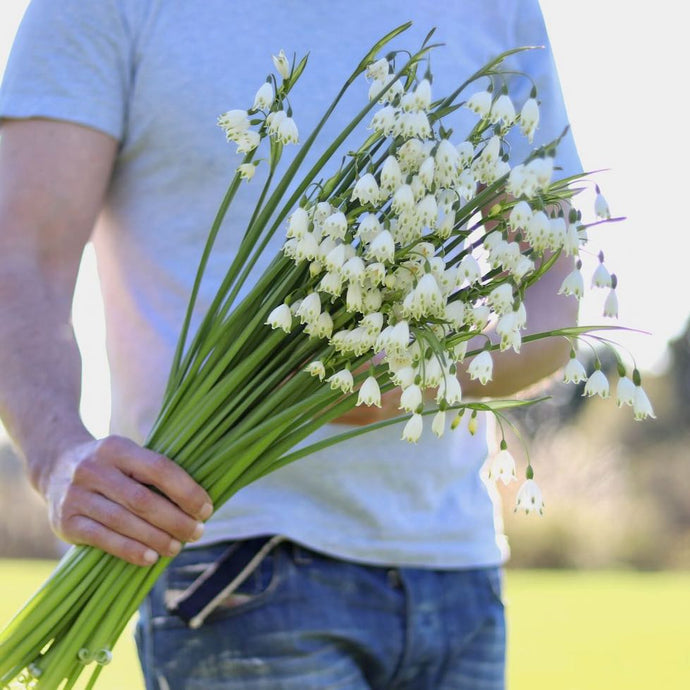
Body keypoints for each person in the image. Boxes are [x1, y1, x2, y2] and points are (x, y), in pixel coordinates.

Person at [0, 1, 580, 688]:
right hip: (229, 563)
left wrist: (414, 375)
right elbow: (20, 260)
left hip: (457, 570)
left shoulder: (494, 9)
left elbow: (556, 304)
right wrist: (59, 456)